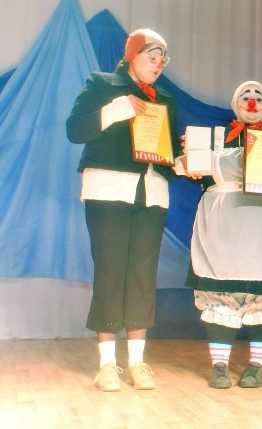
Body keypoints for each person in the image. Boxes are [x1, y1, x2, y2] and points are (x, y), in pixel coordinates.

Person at [66, 29, 179, 391]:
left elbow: (168, 153)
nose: (158, 65)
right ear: (132, 55)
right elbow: (75, 130)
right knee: (110, 270)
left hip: (152, 193)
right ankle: (106, 364)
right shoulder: (102, 84)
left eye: (163, 59)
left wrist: (185, 161)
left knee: (143, 275)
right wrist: (118, 108)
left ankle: (137, 362)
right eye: (151, 56)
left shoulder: (165, 99)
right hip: (109, 189)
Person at [183, 81, 262, 388]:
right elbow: (192, 172)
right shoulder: (217, 138)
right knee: (221, 297)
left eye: (258, 96)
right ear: (236, 105)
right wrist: (189, 161)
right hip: (225, 228)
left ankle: (256, 366)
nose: (252, 101)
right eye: (245, 96)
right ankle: (220, 366)